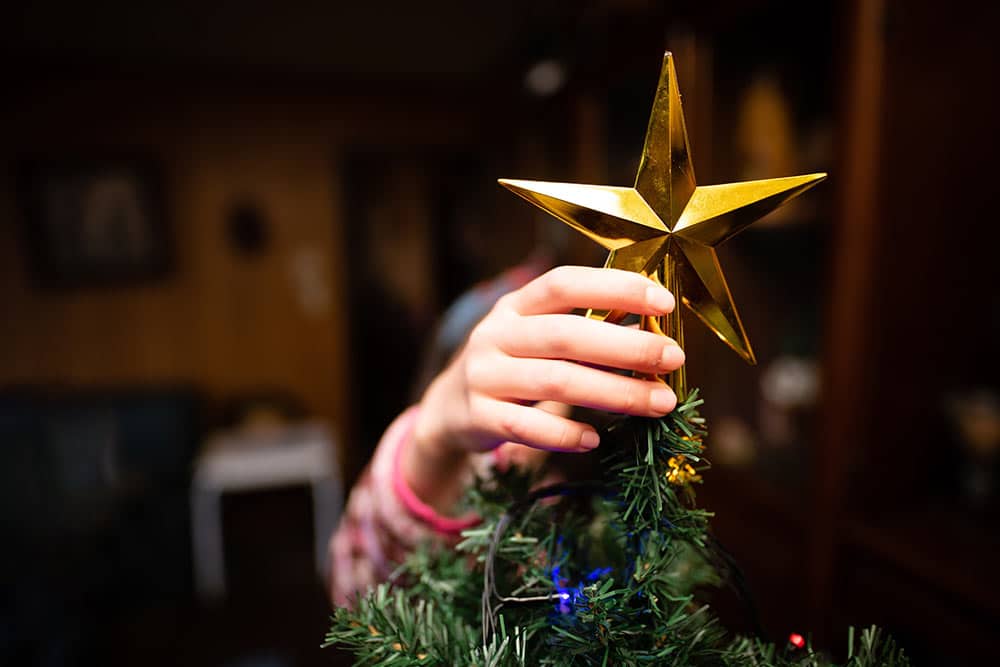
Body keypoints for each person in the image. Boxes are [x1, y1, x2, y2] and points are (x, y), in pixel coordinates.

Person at [328, 264, 686, 606]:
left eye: (532, 400)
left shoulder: (606, 511)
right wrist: (433, 434)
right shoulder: (452, 508)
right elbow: (355, 594)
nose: (511, 435)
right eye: (506, 399)